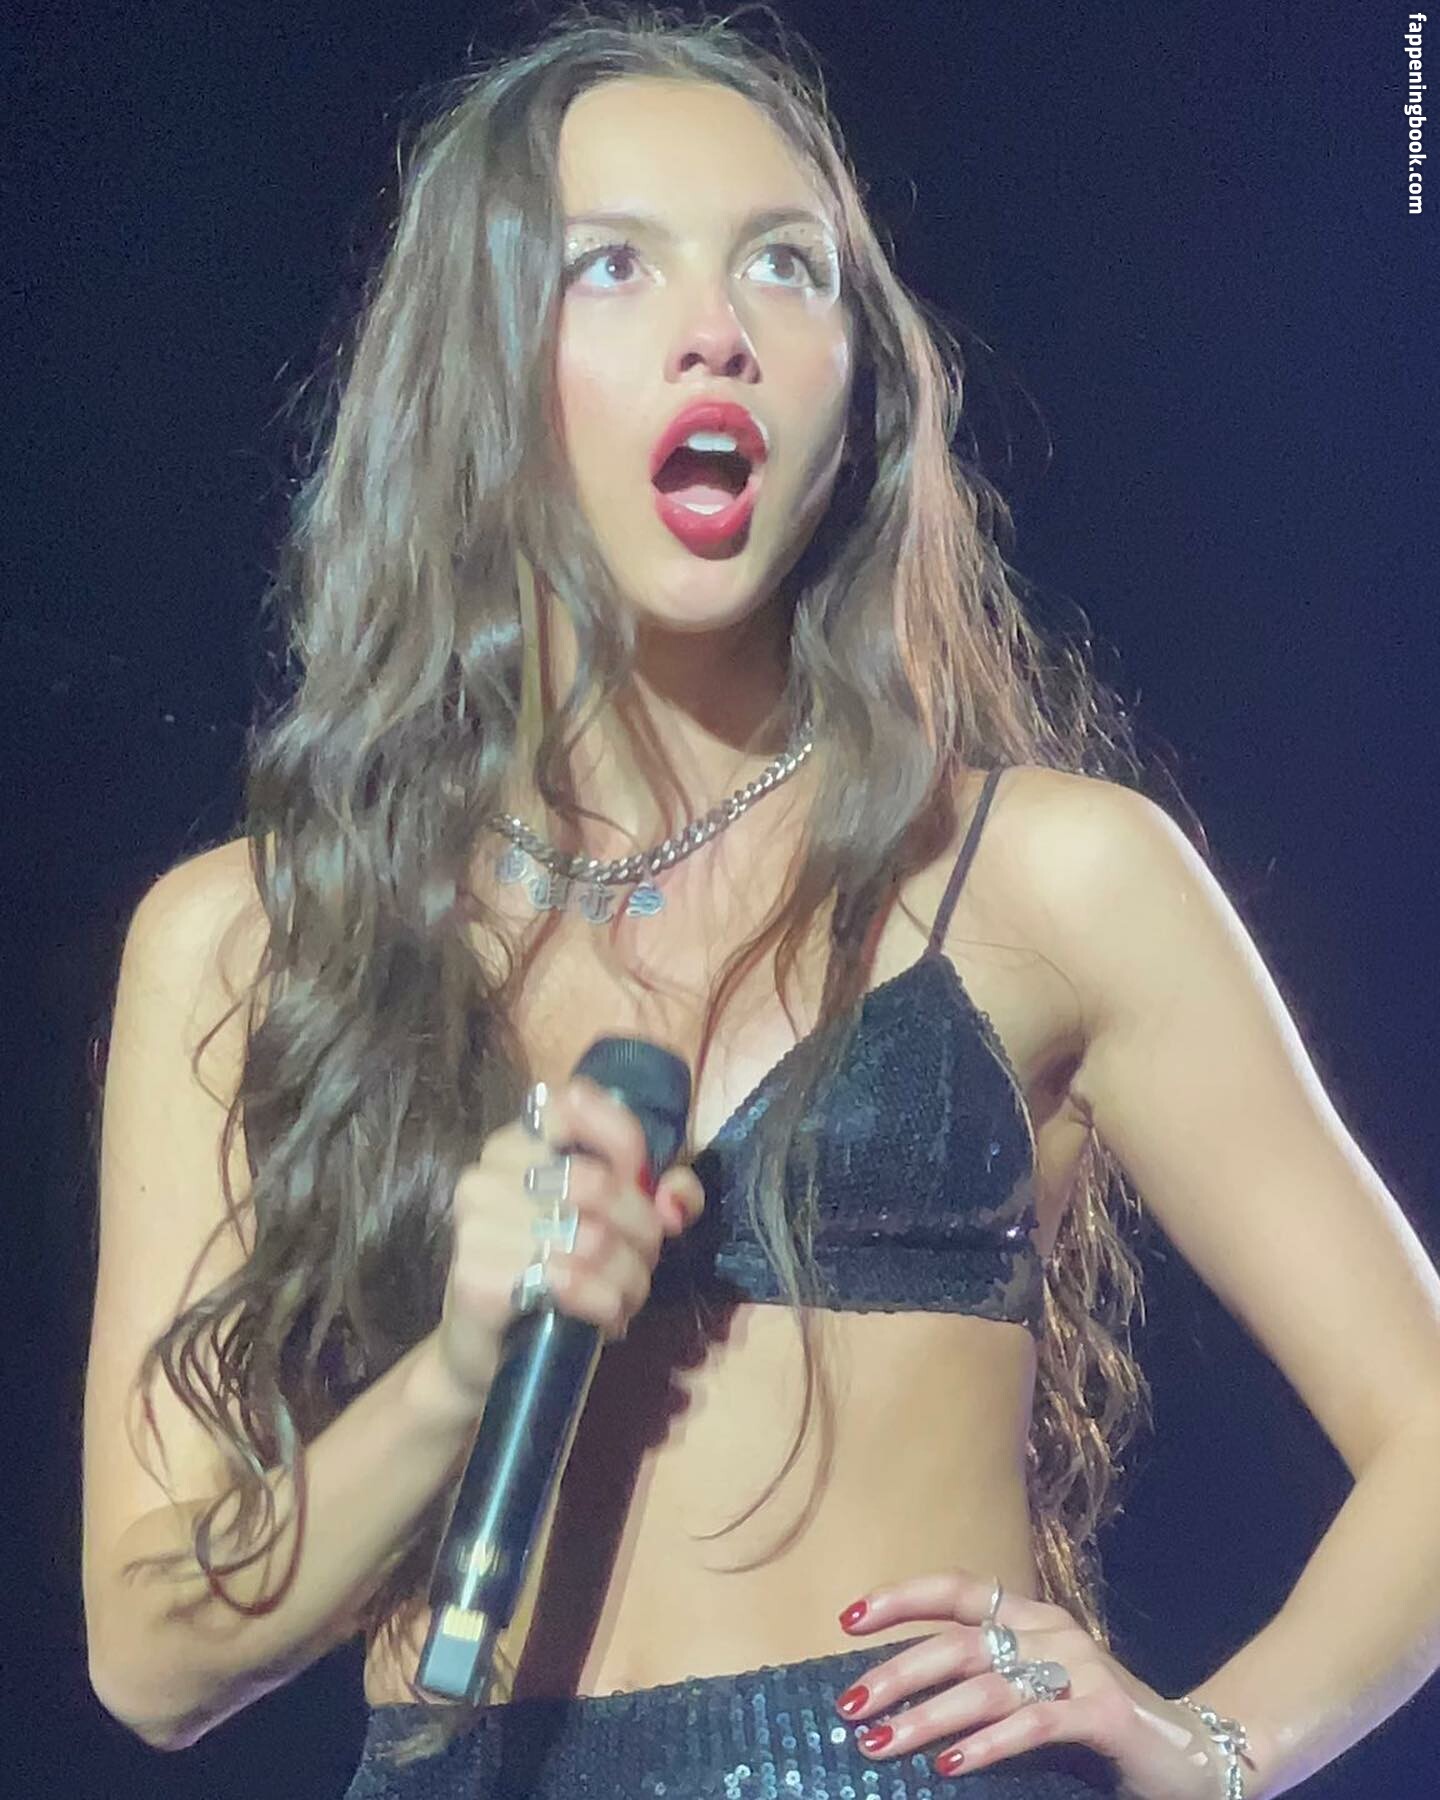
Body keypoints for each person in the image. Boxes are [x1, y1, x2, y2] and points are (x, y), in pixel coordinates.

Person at [81, 10, 1440, 1800]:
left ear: (857, 385)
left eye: (786, 266)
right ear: (472, 367)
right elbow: (149, 1652)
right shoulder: (251, 940)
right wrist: (455, 1368)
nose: (715, 327)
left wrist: (1212, 1746)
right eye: (613, 265)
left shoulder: (1045, 877)